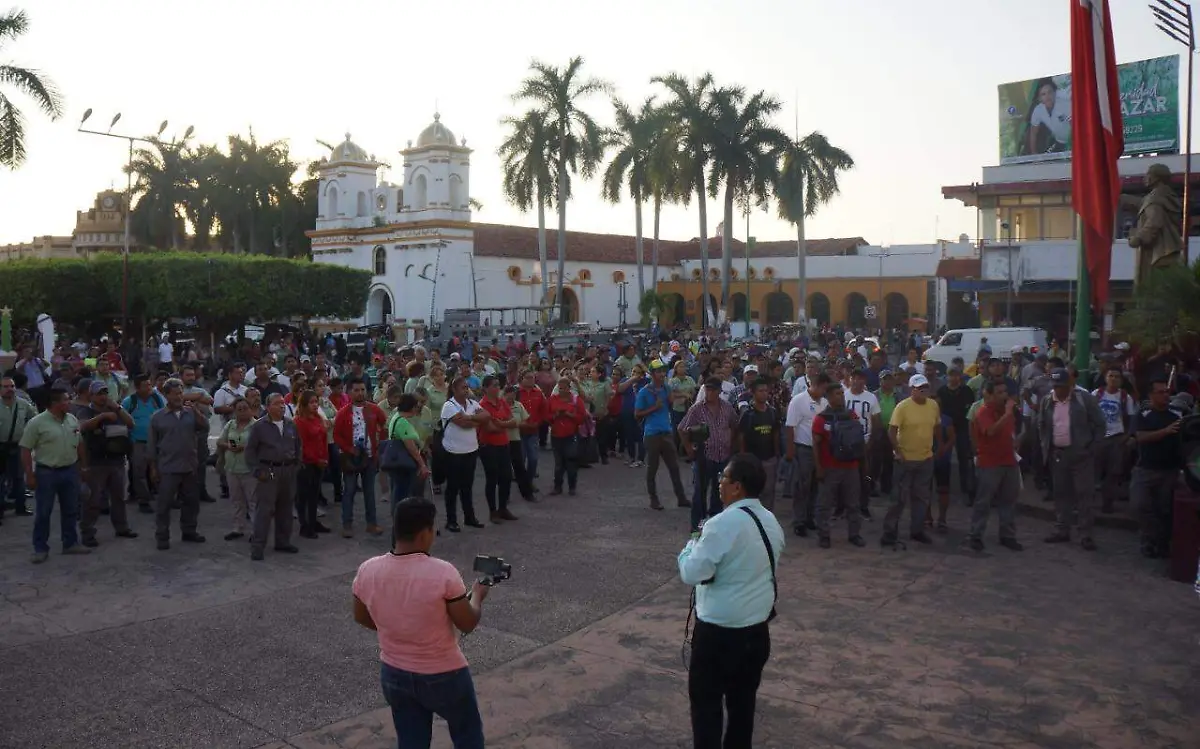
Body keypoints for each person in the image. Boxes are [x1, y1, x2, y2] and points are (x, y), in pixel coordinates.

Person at [352, 498, 489, 749]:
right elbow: (467, 622)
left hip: (394, 672)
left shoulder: (367, 570)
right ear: (426, 533)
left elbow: (361, 616)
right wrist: (477, 596)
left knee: (411, 741)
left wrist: (397, 628)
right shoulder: (443, 572)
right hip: (444, 673)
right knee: (467, 735)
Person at [677, 454, 784, 749]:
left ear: (736, 487)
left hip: (718, 635)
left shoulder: (721, 524)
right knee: (742, 706)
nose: (720, 483)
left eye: (724, 478)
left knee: (706, 708)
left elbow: (692, 572)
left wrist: (689, 548)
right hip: (756, 632)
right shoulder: (770, 520)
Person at [19, 387, 91, 564]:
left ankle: (70, 543)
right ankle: (40, 548)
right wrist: (29, 475)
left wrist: (83, 466)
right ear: (55, 403)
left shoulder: (72, 419)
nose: (70, 403)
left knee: (71, 509)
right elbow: (26, 449)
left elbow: (79, 443)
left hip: (69, 470)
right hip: (47, 472)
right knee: (44, 512)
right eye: (66, 400)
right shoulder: (37, 423)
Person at [1037, 368, 1105, 551]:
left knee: (1084, 494)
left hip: (1081, 454)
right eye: (1055, 386)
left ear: (1070, 385)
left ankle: (1086, 534)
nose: (1058, 390)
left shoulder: (1084, 400)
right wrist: (1047, 447)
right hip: (1058, 454)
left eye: (1061, 386)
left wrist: (1092, 448)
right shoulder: (1047, 401)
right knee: (1061, 494)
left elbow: (1100, 424)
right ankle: (1062, 529)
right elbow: (1041, 424)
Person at [147, 379, 209, 551]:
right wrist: (153, 468)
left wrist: (196, 411)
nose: (178, 397)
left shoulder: (190, 413)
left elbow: (205, 427)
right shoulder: (157, 417)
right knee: (164, 505)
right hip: (168, 468)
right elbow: (152, 445)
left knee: (191, 502)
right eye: (174, 393)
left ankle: (189, 531)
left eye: (180, 393)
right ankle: (162, 536)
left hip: (189, 466)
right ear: (166, 395)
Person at [882, 374, 942, 547]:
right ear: (911, 389)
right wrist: (897, 451)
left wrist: (938, 447)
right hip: (905, 459)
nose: (923, 391)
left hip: (925, 458)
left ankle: (917, 530)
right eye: (919, 388)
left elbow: (937, 426)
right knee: (898, 499)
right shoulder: (903, 407)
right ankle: (889, 532)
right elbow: (892, 430)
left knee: (921, 497)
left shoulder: (933, 405)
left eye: (925, 387)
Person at [76, 380, 137, 547]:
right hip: (96, 462)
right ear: (92, 396)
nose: (103, 397)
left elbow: (131, 423)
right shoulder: (85, 411)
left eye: (105, 393)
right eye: (99, 394)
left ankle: (122, 527)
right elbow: (82, 427)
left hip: (116, 460)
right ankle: (88, 532)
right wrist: (101, 417)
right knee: (93, 500)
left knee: (118, 498)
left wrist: (117, 408)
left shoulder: (115, 409)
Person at [244, 393, 302, 560]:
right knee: (264, 511)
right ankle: (258, 546)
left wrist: (297, 465)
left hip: (288, 471)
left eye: (283, 403)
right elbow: (250, 451)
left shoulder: (291, 424)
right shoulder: (259, 426)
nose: (282, 406)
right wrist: (257, 471)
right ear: (268, 407)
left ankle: (283, 541)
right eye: (277, 404)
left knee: (285, 509)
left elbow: (298, 446)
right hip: (268, 472)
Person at [1131, 378, 1184, 559]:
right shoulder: (1143, 414)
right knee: (1140, 505)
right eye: (1160, 392)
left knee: (1165, 509)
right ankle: (1148, 538)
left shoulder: (1179, 414)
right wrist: (1165, 431)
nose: (1165, 395)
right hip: (1145, 469)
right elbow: (1140, 437)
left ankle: (1160, 543)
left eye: (1167, 392)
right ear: (1151, 395)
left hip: (1169, 470)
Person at [968, 380, 1023, 552]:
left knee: (1009, 500)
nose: (1004, 396)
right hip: (989, 462)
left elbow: (1011, 431)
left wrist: (1017, 440)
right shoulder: (984, 411)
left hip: (1009, 461)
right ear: (990, 395)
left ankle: (1007, 535)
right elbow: (990, 431)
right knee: (984, 501)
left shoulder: (1008, 412)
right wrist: (1006, 414)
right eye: (999, 393)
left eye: (1004, 392)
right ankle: (976, 535)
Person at [680, 377, 740, 532]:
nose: (710, 392)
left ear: (719, 391)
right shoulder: (697, 409)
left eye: (713, 389)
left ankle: (715, 525)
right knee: (700, 492)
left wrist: (731, 445)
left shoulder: (727, 408)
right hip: (704, 456)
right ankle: (696, 527)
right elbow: (682, 428)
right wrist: (688, 448)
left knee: (719, 493)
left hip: (723, 456)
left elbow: (735, 425)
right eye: (707, 389)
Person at [812, 380, 866, 548]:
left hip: (851, 467)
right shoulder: (821, 419)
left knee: (853, 503)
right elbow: (816, 445)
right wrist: (819, 468)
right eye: (837, 394)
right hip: (830, 467)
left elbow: (858, 439)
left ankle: (854, 534)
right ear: (828, 397)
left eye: (842, 393)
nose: (841, 396)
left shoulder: (852, 415)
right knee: (825, 504)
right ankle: (824, 535)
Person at [334, 377, 388, 539]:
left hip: (370, 457)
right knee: (349, 491)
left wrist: (380, 445)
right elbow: (337, 435)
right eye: (356, 390)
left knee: (370, 492)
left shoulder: (374, 409)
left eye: (362, 390)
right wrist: (349, 449)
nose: (360, 393)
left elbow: (384, 425)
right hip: (351, 458)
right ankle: (347, 524)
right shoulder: (343, 413)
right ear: (349, 392)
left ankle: (371, 524)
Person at [638, 360, 690, 511]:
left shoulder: (666, 388)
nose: (662, 374)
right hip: (652, 434)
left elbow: (670, 403)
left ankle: (681, 498)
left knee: (674, 467)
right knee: (652, 469)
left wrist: (678, 398)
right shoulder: (644, 392)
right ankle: (653, 499)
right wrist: (654, 407)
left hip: (666, 433)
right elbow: (637, 414)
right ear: (652, 374)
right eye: (659, 371)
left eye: (663, 371)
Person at [439, 377, 488, 533]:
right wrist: (475, 420)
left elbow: (486, 416)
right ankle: (451, 520)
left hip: (471, 450)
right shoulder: (449, 405)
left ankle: (469, 517)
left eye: (467, 387)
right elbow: (463, 424)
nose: (466, 390)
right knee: (453, 487)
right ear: (454, 389)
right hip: (453, 452)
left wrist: (470, 417)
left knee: (467, 486)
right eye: (463, 387)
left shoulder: (472, 404)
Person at [785, 372, 830, 537]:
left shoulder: (824, 403)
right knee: (801, 486)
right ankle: (799, 521)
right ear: (815, 385)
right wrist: (790, 451)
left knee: (816, 486)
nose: (824, 392)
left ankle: (810, 517)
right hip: (803, 448)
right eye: (823, 388)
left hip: (819, 449)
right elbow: (790, 427)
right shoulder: (798, 401)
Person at [1093, 368, 1137, 514]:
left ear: (1121, 380)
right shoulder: (1096, 394)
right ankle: (1087, 503)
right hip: (1098, 438)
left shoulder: (1125, 397)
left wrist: (1127, 436)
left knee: (1113, 473)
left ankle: (1107, 503)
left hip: (1117, 438)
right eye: (1110, 375)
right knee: (1093, 471)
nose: (1113, 379)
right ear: (1105, 378)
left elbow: (1131, 418)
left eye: (1117, 377)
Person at [477, 375, 518, 523]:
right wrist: (504, 423)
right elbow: (490, 428)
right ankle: (492, 511)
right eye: (494, 385)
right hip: (489, 446)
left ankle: (503, 508)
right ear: (486, 388)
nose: (497, 388)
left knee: (506, 477)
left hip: (503, 444)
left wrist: (500, 423)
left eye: (498, 385)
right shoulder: (482, 405)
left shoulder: (501, 401)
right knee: (492, 478)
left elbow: (514, 421)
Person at [736, 378, 779, 513]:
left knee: (768, 491)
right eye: (760, 391)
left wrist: (777, 455)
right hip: (752, 459)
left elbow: (776, 434)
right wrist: (743, 457)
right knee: (751, 492)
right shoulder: (747, 414)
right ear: (753, 393)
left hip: (769, 459)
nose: (764, 394)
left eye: (766, 391)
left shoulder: (772, 412)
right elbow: (741, 437)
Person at [217, 397, 257, 541]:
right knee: (236, 500)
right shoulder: (230, 425)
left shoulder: (256, 426)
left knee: (253, 501)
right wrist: (228, 446)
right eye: (239, 409)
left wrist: (245, 448)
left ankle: (256, 530)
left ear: (251, 409)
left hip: (249, 470)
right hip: (232, 468)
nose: (242, 412)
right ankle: (238, 528)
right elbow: (220, 441)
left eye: (245, 408)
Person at [294, 389, 331, 539]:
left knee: (314, 494)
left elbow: (323, 439)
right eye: (312, 402)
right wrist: (316, 460)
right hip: (306, 463)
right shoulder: (299, 422)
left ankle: (313, 521)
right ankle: (304, 525)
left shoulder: (318, 418)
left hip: (319, 462)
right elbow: (302, 446)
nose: (315, 405)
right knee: (303, 495)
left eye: (316, 402)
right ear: (303, 404)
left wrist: (325, 458)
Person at [0, 375, 36, 521]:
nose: (10, 389)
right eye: (6, 387)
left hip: (18, 446)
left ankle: (21, 507)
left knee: (19, 478)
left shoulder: (23, 404)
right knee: (1, 480)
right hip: (0, 447)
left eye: (12, 386)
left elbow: (34, 419)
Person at [547, 375, 588, 496]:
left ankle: (572, 486)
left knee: (571, 460)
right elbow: (547, 417)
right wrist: (555, 416)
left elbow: (582, 418)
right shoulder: (552, 399)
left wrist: (570, 415)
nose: (561, 391)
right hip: (556, 435)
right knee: (559, 463)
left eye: (563, 388)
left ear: (569, 388)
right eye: (559, 388)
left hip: (571, 435)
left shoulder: (576, 400)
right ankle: (557, 486)